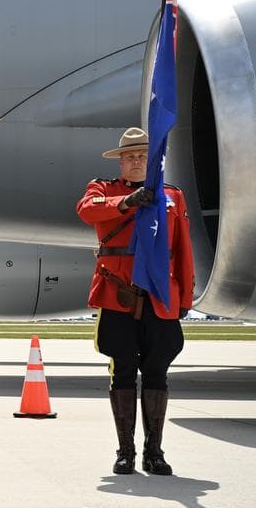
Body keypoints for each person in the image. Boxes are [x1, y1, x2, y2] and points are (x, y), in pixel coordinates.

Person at [77, 127, 193, 476]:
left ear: (154, 160)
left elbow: (183, 251)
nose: (136, 161)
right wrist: (127, 202)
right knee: (123, 371)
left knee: (157, 372)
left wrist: (184, 297)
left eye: (142, 156)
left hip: (159, 296)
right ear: (121, 161)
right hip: (118, 294)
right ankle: (125, 451)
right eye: (129, 157)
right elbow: (87, 210)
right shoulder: (104, 189)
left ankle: (153, 451)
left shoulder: (173, 196)